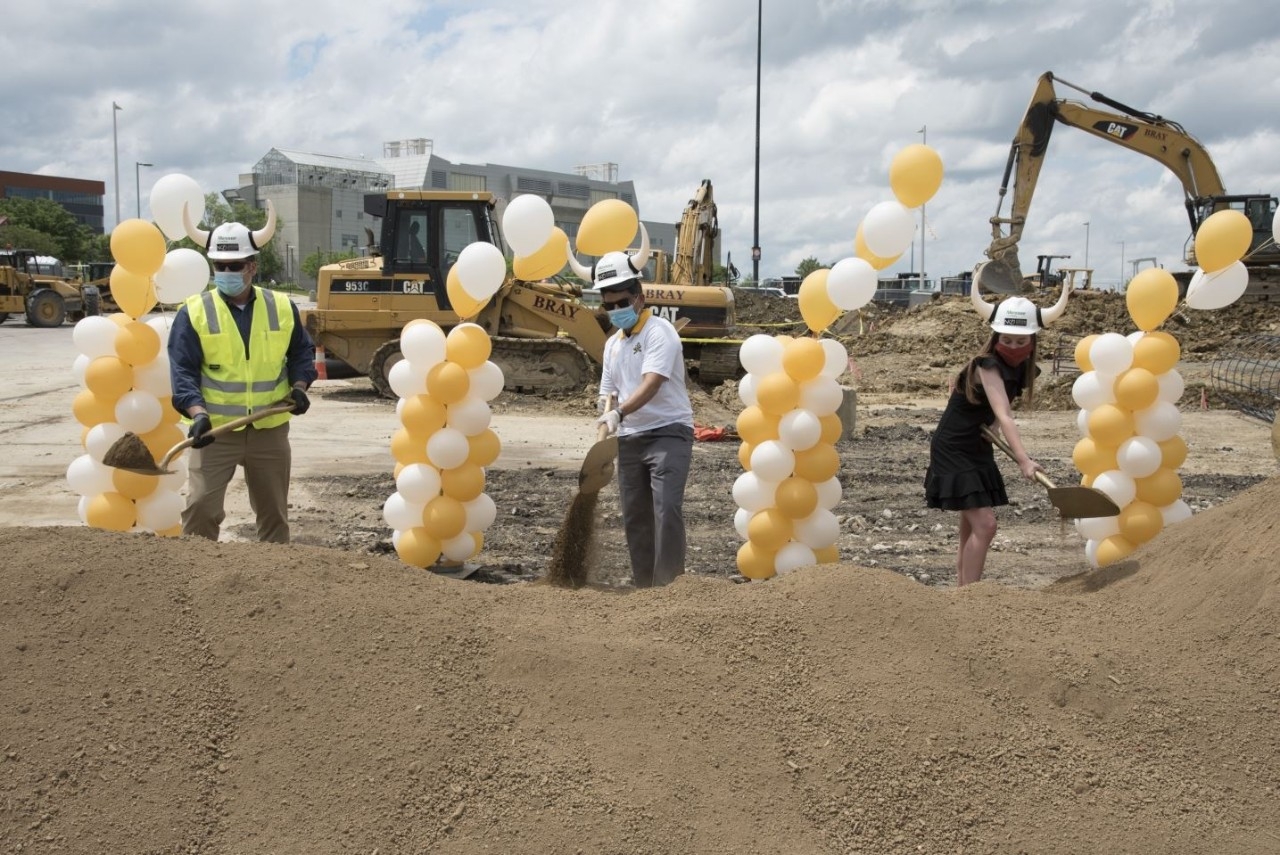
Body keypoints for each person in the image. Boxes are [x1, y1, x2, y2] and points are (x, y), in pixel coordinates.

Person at [170, 200, 317, 543]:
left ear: (252, 266)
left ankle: (274, 582)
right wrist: (197, 413)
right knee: (201, 510)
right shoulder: (193, 312)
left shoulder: (281, 306)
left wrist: (299, 386)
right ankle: (196, 580)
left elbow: (301, 352)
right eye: (220, 265)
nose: (226, 272)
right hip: (215, 431)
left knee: (274, 516)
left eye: (234, 265)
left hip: (269, 427)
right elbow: (183, 371)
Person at [569, 225, 695, 587]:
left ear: (639, 296)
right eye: (608, 305)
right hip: (630, 438)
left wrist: (619, 412)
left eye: (621, 302)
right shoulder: (613, 345)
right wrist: (604, 422)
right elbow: (607, 389)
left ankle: (668, 585)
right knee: (636, 516)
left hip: (669, 433)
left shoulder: (660, 332)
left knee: (666, 509)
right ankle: (644, 586)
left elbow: (652, 382)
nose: (615, 310)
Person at [924, 279, 1071, 586]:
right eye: (1007, 340)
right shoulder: (987, 365)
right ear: (995, 337)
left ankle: (962, 593)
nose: (1014, 347)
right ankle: (972, 598)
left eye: (1021, 341)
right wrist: (1024, 460)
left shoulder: (1021, 370)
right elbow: (1005, 415)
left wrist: (990, 427)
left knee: (970, 524)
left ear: (1032, 339)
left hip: (977, 444)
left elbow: (997, 414)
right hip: (954, 447)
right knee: (986, 525)